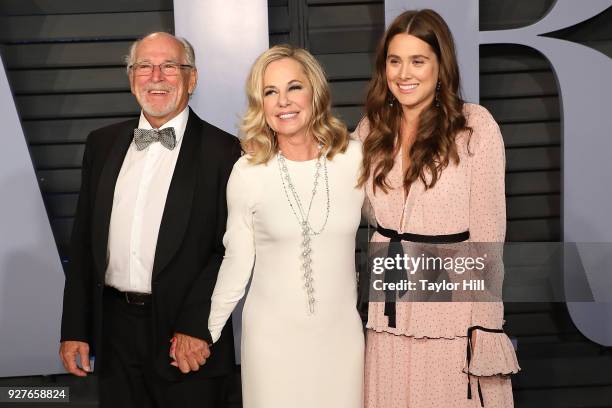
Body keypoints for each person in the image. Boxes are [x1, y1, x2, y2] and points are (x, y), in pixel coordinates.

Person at [59, 32, 240, 408]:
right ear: (131, 77)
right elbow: (83, 243)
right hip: (113, 335)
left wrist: (197, 325)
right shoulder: (101, 144)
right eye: (144, 66)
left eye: (169, 66)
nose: (156, 76)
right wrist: (76, 328)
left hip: (186, 339)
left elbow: (230, 250)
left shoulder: (225, 151)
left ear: (192, 78)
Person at [353, 9, 520, 408]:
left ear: (440, 66)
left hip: (452, 311)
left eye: (418, 60)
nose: (404, 73)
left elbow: (488, 231)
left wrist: (486, 323)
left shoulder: (475, 127)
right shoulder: (369, 130)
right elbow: (333, 196)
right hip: (387, 306)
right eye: (394, 61)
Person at [206, 45, 364, 408]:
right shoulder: (247, 173)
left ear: (315, 92)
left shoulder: (354, 158)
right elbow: (237, 261)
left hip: (341, 340)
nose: (283, 101)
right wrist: (208, 332)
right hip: (271, 343)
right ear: (260, 104)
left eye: (294, 87)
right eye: (270, 92)